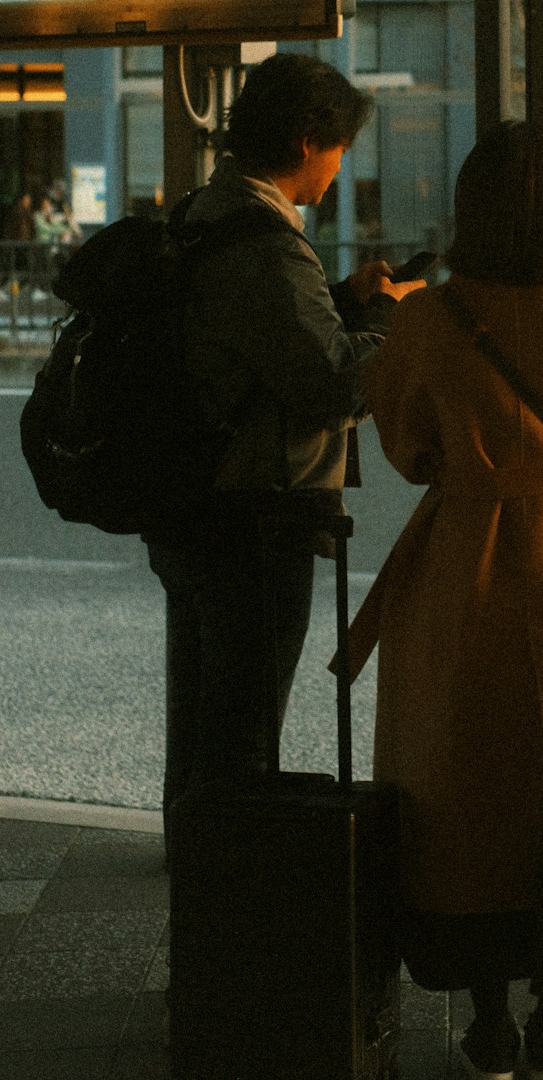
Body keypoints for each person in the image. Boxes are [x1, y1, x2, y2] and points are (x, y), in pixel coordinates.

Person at [343, 122, 543, 1080]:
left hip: (463, 560)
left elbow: (406, 445)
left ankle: (485, 1024)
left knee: (464, 777)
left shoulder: (430, 320)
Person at [150, 54, 421, 835]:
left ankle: (194, 868)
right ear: (310, 142)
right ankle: (228, 902)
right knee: (240, 734)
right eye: (340, 150)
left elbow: (255, 347)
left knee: (200, 718)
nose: (340, 167)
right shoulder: (267, 243)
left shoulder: (208, 211)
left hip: (196, 505)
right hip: (255, 520)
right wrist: (393, 318)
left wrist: (341, 302)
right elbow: (332, 386)